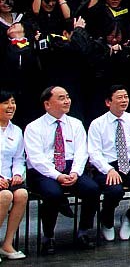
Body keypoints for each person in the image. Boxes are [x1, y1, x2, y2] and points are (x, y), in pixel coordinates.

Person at [24, 86, 101, 254]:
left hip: (70, 166)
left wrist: (75, 172)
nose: (67, 101)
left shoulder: (75, 123)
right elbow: (36, 159)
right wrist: (57, 176)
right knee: (52, 193)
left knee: (92, 189)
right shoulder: (33, 127)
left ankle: (83, 232)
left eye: (67, 97)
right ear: (47, 104)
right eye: (61, 98)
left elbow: (82, 151)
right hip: (43, 171)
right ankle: (48, 237)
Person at [87, 85, 130, 241]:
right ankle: (107, 220)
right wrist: (108, 169)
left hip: (129, 165)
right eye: (119, 97)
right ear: (108, 102)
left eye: (126, 97)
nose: (124, 100)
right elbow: (94, 153)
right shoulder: (97, 124)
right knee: (115, 190)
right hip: (107, 167)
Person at [0, 91, 28, 260]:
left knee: (21, 194)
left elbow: (19, 158)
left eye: (13, 102)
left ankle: (7, 244)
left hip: (9, 179)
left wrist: (17, 174)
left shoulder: (16, 130)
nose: (11, 106)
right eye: (5, 103)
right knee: (5, 196)